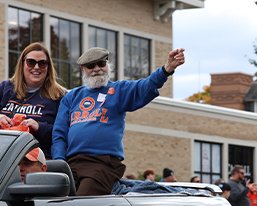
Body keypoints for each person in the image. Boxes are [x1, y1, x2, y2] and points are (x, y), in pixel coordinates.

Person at [51, 46, 185, 195]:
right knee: (58, 203)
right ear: (83, 69)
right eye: (91, 66)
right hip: (71, 164)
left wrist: (167, 69)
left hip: (102, 163)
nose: (97, 69)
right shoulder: (72, 96)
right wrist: (60, 164)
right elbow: (59, 135)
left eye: (101, 64)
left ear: (107, 65)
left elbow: (145, 86)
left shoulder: (119, 90)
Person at [0, 42, 66, 159]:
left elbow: (66, 133)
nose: (36, 67)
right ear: (22, 64)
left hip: (37, 159)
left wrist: (39, 127)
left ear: (48, 67)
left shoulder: (59, 96)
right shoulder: (5, 88)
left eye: (42, 63)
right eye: (31, 62)